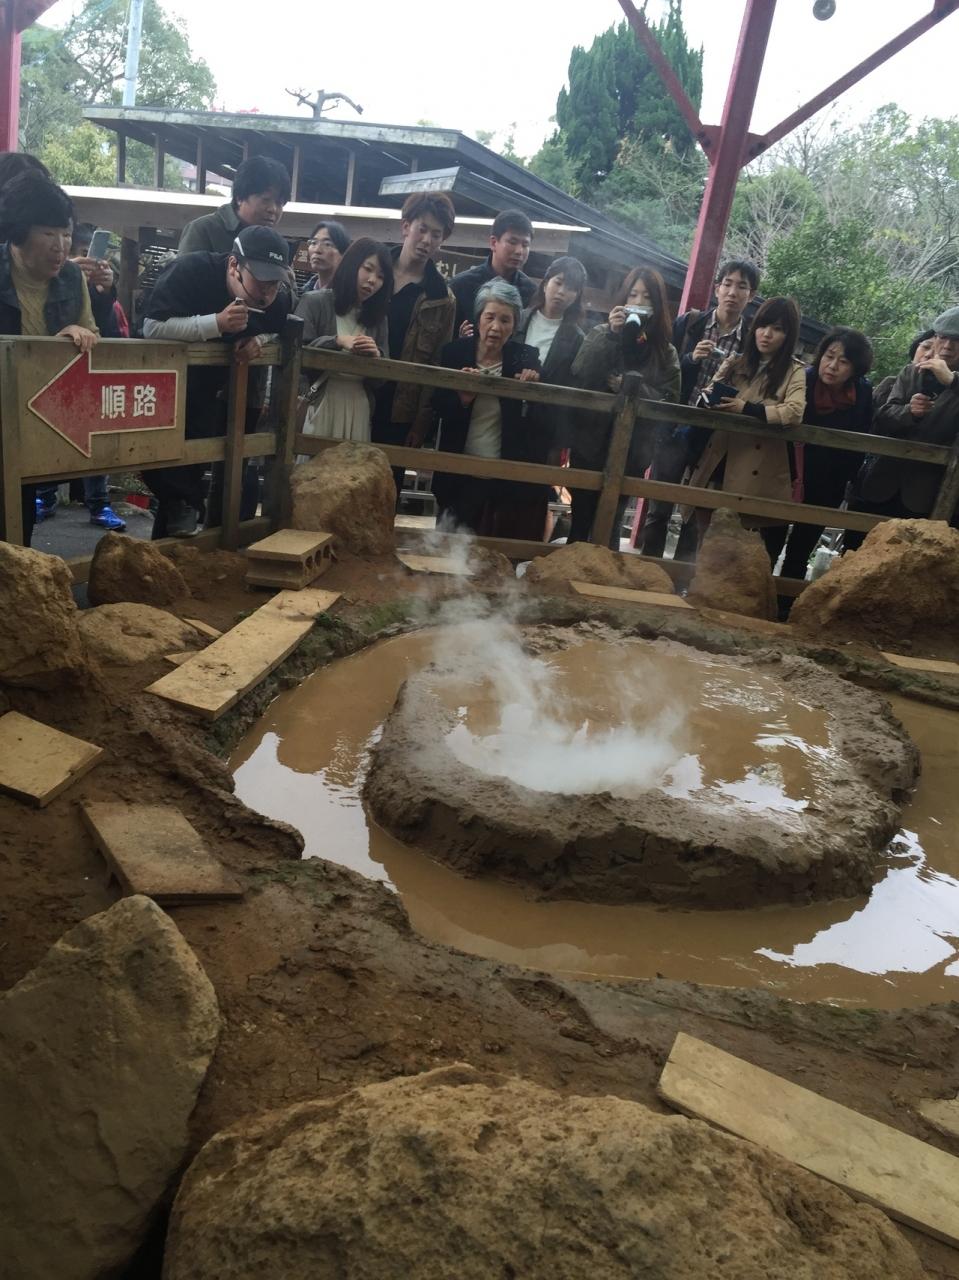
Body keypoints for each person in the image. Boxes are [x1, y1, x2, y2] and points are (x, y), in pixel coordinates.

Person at [141, 224, 294, 537]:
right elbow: (152, 327)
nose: (266, 293)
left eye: (275, 283)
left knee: (195, 453)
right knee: (161, 457)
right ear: (234, 265)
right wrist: (217, 324)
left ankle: (179, 524)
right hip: (159, 382)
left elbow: (275, 329)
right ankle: (178, 514)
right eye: (261, 281)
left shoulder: (277, 300)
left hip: (207, 388)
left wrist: (258, 340)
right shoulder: (190, 271)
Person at [0, 173, 99, 544]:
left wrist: (76, 335)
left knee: (18, 524)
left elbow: (92, 333)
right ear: (19, 233)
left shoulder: (73, 278)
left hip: (35, 420)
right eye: (48, 233)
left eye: (66, 234)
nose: (61, 246)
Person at [642, 259, 759, 560]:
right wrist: (691, 359)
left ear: (751, 295)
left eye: (741, 286)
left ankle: (681, 576)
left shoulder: (751, 341)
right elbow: (662, 370)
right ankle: (650, 570)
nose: (732, 292)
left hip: (715, 434)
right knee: (659, 504)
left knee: (695, 514)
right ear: (717, 288)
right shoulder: (690, 324)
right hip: (674, 424)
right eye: (727, 284)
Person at [686, 295, 805, 564]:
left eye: (777, 328)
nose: (767, 334)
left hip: (754, 465)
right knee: (704, 530)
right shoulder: (735, 362)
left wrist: (746, 409)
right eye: (763, 325)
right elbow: (708, 393)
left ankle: (721, 585)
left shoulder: (794, 371)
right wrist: (710, 399)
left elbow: (794, 412)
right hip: (717, 454)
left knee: (736, 541)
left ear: (788, 335)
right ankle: (699, 582)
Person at [568, 266, 680, 547]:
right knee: (580, 519)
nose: (639, 302)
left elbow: (670, 399)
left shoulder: (664, 350)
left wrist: (632, 388)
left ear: (658, 305)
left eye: (647, 297)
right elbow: (580, 372)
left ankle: (604, 570)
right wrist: (611, 334)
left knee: (613, 521)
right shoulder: (602, 332)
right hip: (588, 441)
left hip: (634, 449)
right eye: (633, 294)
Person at [431, 278, 541, 532]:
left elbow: (535, 415)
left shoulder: (525, 357)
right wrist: (462, 398)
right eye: (489, 317)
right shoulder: (454, 353)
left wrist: (532, 383)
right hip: (456, 468)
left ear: (515, 324)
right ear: (478, 317)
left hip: (501, 473)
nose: (495, 327)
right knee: (446, 544)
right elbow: (437, 406)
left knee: (488, 547)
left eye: (505, 320)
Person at [847, 305, 959, 544]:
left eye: (957, 340)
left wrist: (952, 381)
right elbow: (883, 417)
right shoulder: (911, 373)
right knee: (855, 550)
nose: (948, 346)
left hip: (926, 495)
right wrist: (910, 412)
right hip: (880, 484)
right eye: (943, 337)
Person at [370, 194, 456, 501]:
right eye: (423, 229)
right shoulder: (372, 270)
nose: (427, 240)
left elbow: (437, 362)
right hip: (358, 394)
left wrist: (422, 421)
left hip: (401, 409)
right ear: (406, 226)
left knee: (385, 492)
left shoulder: (442, 297)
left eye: (437, 234)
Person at [777, 327, 873, 581]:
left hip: (829, 483)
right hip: (787, 474)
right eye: (829, 356)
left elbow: (862, 436)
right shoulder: (802, 380)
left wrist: (847, 478)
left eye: (843, 361)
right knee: (770, 543)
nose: (832, 366)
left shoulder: (862, 393)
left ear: (856, 368)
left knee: (800, 551)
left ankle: (787, 601)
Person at [509, 255, 588, 538]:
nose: (562, 292)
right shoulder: (518, 319)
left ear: (577, 296)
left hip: (545, 427)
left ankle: (523, 554)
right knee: (498, 485)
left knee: (533, 494)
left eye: (571, 288)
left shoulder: (577, 338)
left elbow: (572, 393)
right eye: (558, 282)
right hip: (506, 415)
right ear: (545, 283)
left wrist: (560, 443)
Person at [295, 237, 392, 445]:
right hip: (321, 399)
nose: (372, 280)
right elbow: (296, 353)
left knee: (352, 464)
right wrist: (337, 341)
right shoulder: (314, 301)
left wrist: (376, 357)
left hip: (359, 404)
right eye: (368, 269)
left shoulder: (379, 319)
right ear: (352, 265)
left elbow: (383, 378)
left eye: (381, 276)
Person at [178, 156, 291, 255]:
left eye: (279, 203)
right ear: (239, 198)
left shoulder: (274, 242)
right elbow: (185, 272)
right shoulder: (202, 230)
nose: (273, 209)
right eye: (265, 200)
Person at [450, 209, 536, 333]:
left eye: (525, 244)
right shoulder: (461, 286)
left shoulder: (531, 293)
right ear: (493, 243)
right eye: (512, 242)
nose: (519, 251)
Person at [302, 220, 350, 292]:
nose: (317, 250)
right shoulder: (307, 290)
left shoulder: (349, 292)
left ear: (343, 253)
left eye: (327, 244)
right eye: (314, 243)